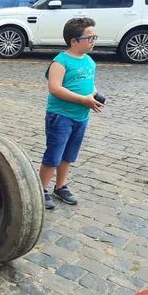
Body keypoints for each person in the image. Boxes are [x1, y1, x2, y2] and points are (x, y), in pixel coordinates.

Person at [40, 17, 104, 210]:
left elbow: (89, 84)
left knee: (68, 154)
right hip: (60, 117)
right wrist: (82, 100)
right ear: (74, 41)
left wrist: (94, 95)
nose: (93, 41)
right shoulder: (60, 62)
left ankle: (60, 186)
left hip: (81, 117)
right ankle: (40, 189)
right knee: (54, 154)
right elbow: (55, 88)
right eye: (90, 38)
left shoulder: (89, 61)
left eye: (94, 37)